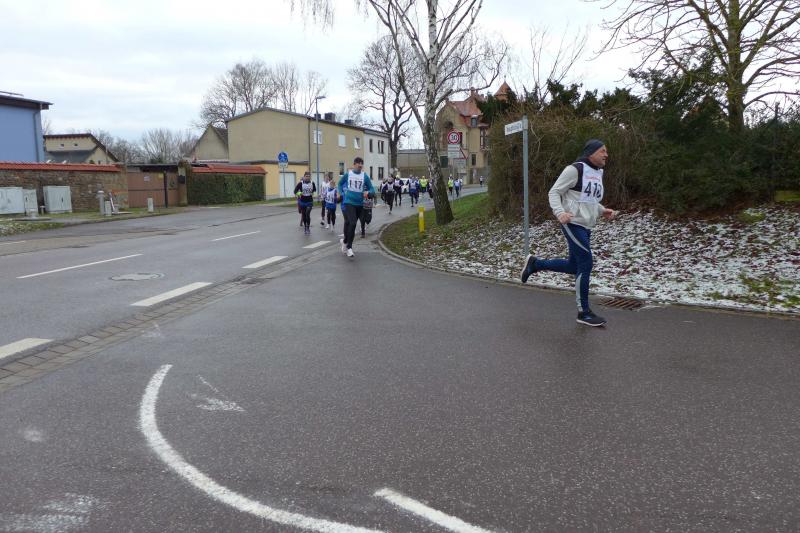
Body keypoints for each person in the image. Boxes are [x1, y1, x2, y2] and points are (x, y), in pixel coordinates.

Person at [519, 139, 617, 327]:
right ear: (591, 152)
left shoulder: (597, 173)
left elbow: (588, 200)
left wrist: (602, 210)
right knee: (586, 262)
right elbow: (554, 192)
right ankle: (584, 312)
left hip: (586, 225)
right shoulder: (575, 170)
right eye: (603, 151)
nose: (606, 154)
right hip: (572, 223)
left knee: (574, 266)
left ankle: (535, 264)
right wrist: (560, 213)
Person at [337, 157, 376, 257]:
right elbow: (340, 184)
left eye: (361, 163)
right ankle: (349, 247)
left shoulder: (365, 176)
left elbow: (372, 189)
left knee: (352, 223)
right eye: (358, 163)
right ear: (354, 164)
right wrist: (341, 193)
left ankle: (345, 241)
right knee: (353, 223)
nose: (360, 165)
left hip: (360, 204)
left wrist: (368, 192)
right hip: (349, 202)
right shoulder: (348, 174)